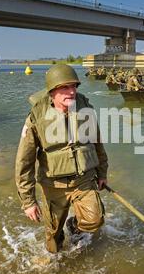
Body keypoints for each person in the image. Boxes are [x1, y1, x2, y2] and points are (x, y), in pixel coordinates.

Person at [15, 64, 108, 253]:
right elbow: (24, 162)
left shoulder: (85, 109)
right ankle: (55, 264)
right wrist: (28, 201)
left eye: (74, 86)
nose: (72, 92)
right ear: (52, 91)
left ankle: (74, 225)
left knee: (95, 220)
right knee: (53, 237)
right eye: (65, 87)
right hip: (53, 185)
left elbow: (97, 143)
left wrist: (102, 173)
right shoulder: (36, 118)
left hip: (84, 180)